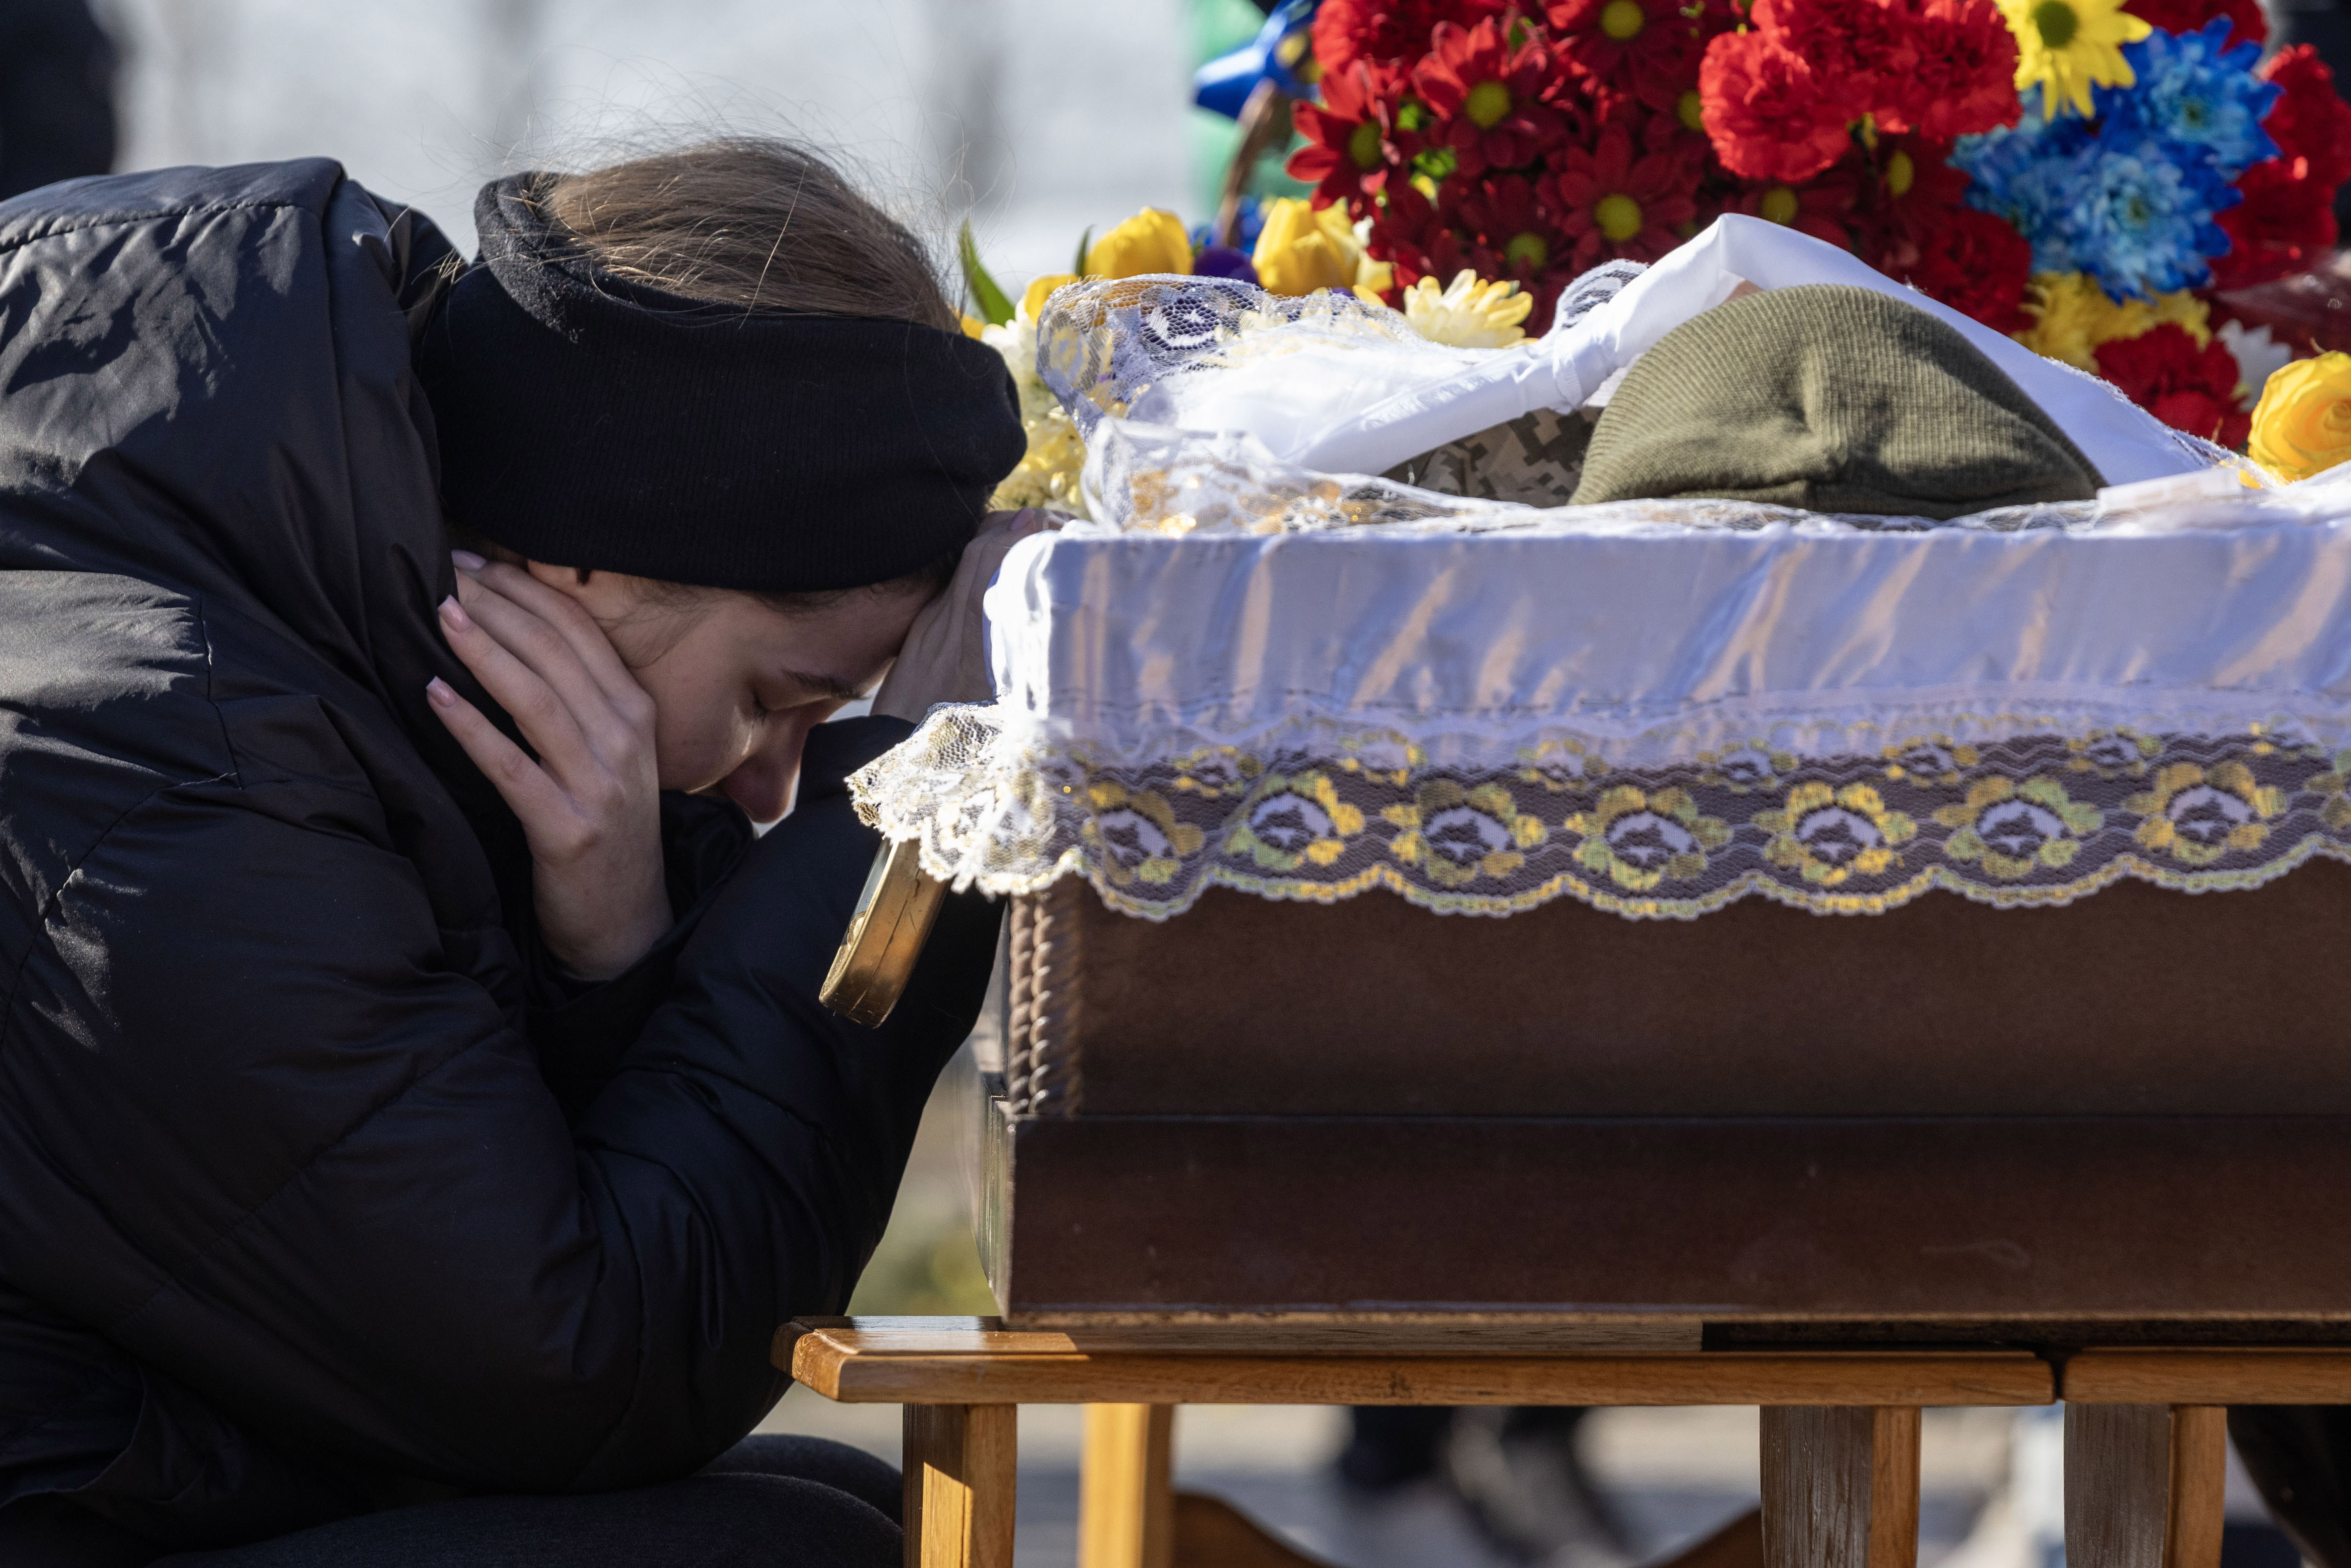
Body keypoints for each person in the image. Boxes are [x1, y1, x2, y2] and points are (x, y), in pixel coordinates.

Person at [0, 139, 1029, 1565]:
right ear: (589, 557)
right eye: (774, 695)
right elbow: (583, 1368)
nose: (778, 776)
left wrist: (613, 944)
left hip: (153, 1442)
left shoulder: (305, 535)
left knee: (852, 1507)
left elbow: (453, 1241)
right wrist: (915, 818)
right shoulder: (167, 762)